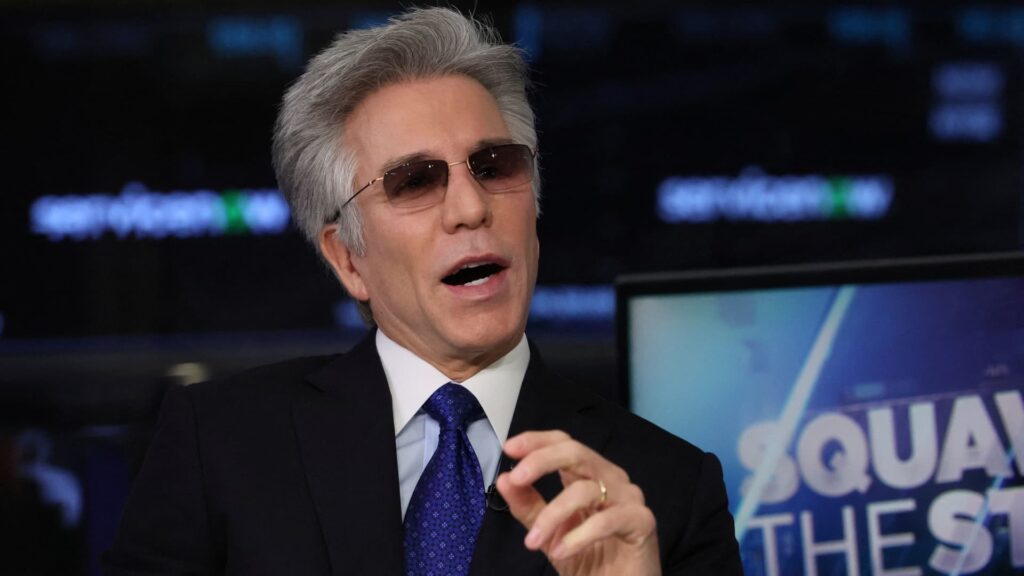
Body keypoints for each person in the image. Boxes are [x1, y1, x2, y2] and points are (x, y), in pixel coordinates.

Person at [104, 7, 742, 576]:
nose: (471, 207)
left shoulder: (667, 490)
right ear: (347, 258)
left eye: (495, 166)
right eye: (414, 182)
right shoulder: (218, 446)